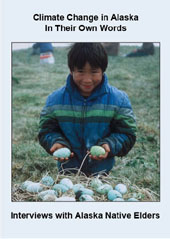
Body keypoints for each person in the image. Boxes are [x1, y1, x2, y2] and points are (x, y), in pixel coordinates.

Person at [38, 43, 137, 176]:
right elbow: (46, 131)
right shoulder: (55, 100)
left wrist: (109, 145)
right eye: (80, 71)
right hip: (67, 174)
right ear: (71, 70)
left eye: (94, 71)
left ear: (103, 70)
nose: (87, 79)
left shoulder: (119, 100)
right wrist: (57, 143)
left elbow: (127, 134)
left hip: (102, 175)